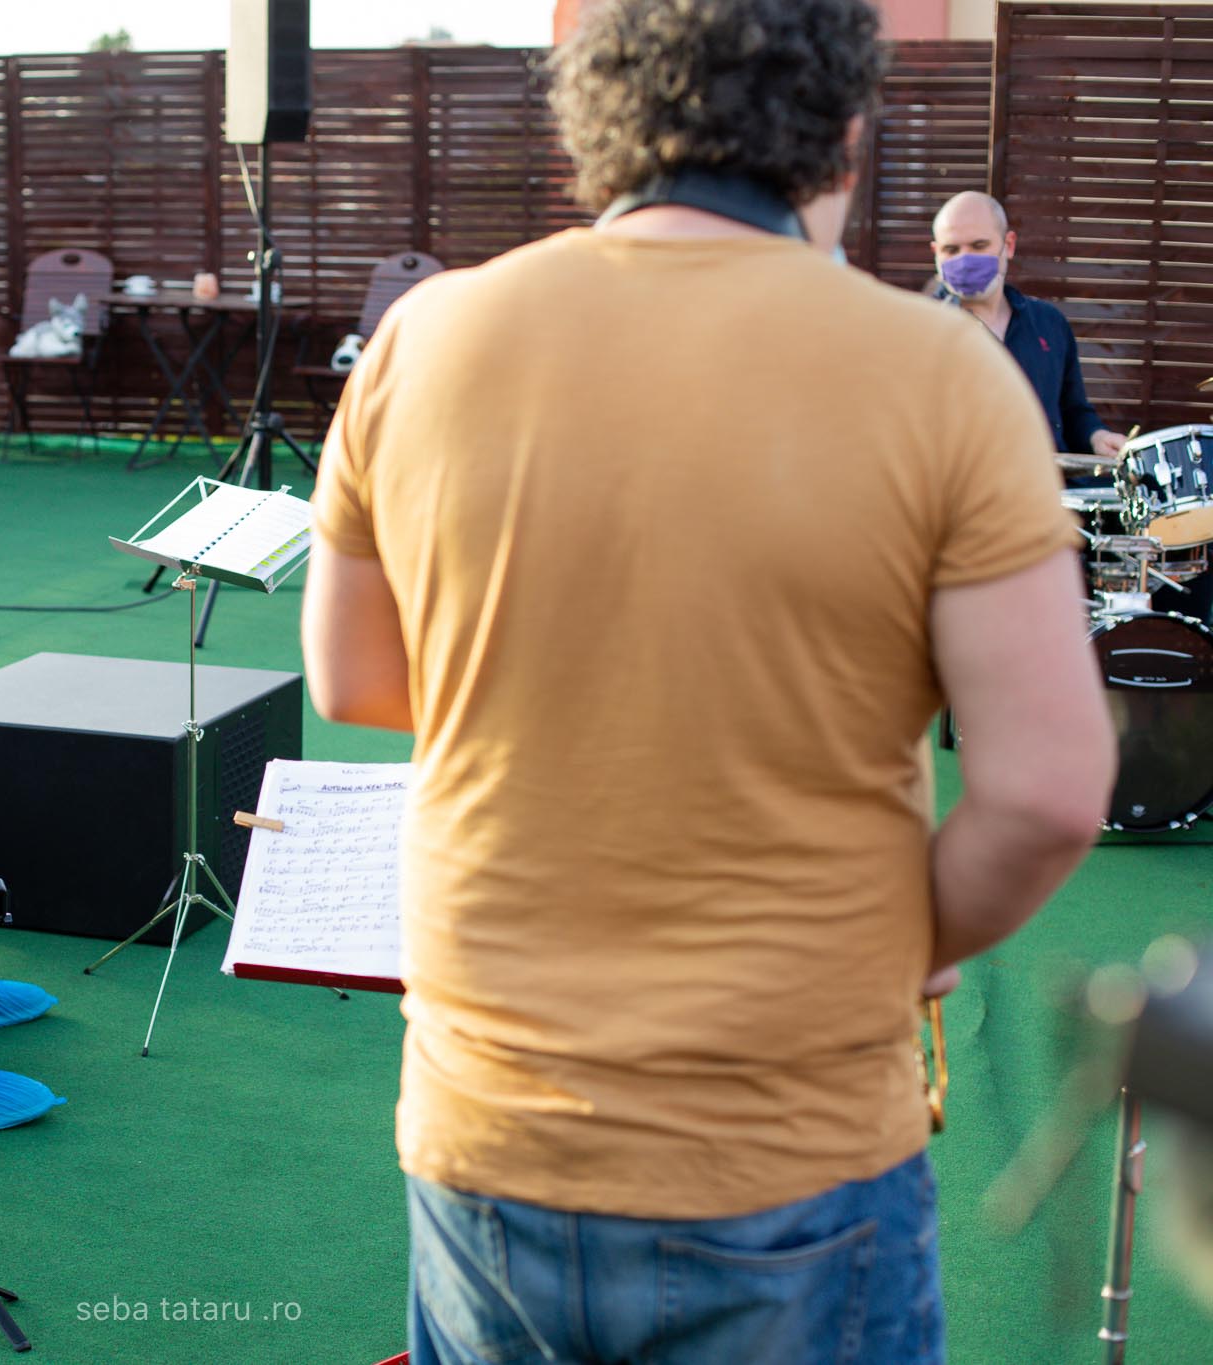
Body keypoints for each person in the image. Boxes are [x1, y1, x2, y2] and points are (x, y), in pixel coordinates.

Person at [301, 3, 1118, 1362]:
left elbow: (354, 676)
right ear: (843, 132)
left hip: (485, 1133)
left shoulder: (423, 340)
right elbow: (1043, 795)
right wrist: (887, 950)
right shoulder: (944, 375)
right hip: (791, 1144)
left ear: (595, 121)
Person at [932, 189, 1128, 458]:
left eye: (979, 246)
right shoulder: (920, 331)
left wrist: (1097, 436)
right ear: (935, 252)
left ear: (1008, 245)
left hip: (1051, 489)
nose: (965, 260)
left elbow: (1073, 412)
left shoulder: (1049, 323)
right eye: (951, 249)